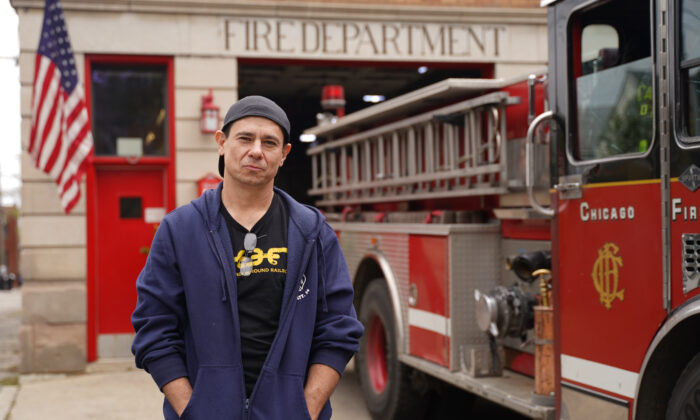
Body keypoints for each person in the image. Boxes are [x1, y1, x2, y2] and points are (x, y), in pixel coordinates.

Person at [131, 95, 363, 420]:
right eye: (245, 138)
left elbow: (338, 327)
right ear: (222, 143)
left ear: (283, 155)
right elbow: (154, 327)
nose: (256, 150)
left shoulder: (312, 232)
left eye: (270, 142)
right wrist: (191, 410)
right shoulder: (180, 230)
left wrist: (306, 409)